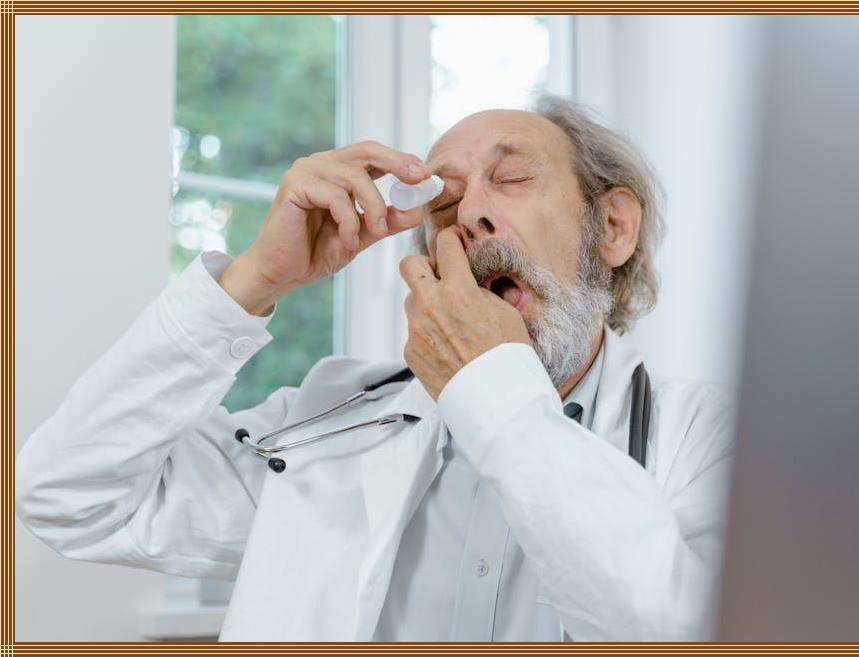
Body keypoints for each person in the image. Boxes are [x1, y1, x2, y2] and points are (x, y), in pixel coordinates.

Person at [15, 95, 735, 642]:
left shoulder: (713, 437)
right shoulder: (326, 425)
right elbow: (69, 494)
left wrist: (494, 388)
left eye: (512, 177)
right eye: (443, 198)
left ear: (613, 227)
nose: (470, 215)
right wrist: (254, 279)